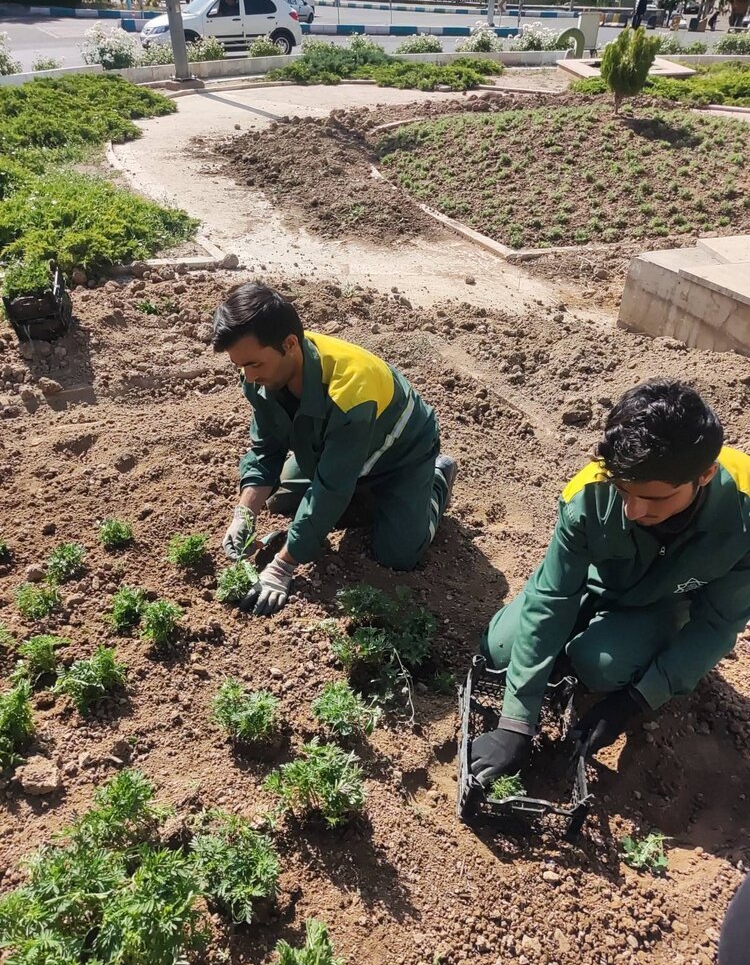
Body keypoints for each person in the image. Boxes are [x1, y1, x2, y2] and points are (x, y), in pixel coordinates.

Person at [470, 379, 750, 786]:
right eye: (624, 492)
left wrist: (634, 701)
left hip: (666, 601)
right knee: (500, 651)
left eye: (655, 499)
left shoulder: (742, 515)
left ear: (705, 474)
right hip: (594, 583)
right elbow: (552, 597)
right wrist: (515, 721)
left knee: (600, 667)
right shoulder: (590, 492)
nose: (634, 510)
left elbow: (718, 623)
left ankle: (622, 645)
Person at [213, 283, 457, 616]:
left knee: (397, 555)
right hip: (339, 445)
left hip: (401, 453)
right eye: (240, 366)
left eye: (254, 365)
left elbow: (331, 488)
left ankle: (437, 480)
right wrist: (245, 513)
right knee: (283, 500)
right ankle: (368, 501)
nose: (248, 376)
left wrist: (283, 566)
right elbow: (265, 448)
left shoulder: (351, 392)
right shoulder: (263, 373)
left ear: (289, 345)